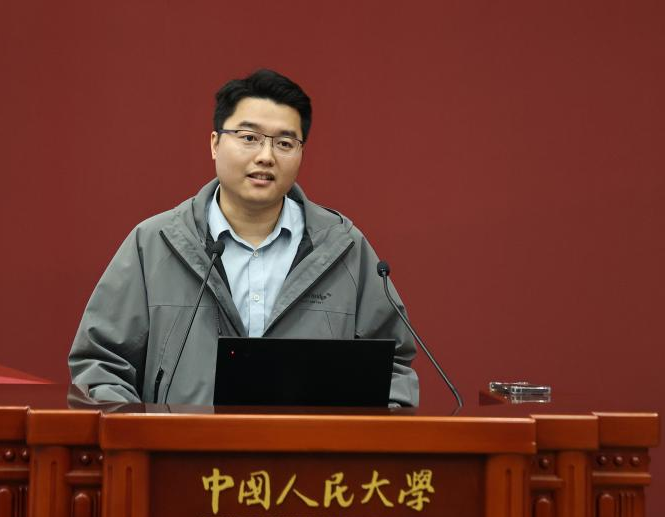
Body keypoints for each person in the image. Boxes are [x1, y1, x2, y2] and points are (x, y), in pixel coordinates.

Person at [68, 69, 419, 406]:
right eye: (249, 138)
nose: (266, 157)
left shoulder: (343, 248)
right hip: (184, 447)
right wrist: (143, 435)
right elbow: (101, 365)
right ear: (215, 144)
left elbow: (392, 367)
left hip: (308, 449)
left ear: (301, 153)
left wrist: (367, 434)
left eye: (284, 143)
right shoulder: (154, 244)